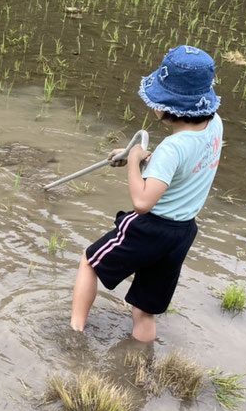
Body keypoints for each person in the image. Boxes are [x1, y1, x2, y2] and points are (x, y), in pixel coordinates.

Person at [71, 45, 223, 342]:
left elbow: (141, 202)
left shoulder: (171, 148)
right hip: (182, 232)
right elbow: (184, 166)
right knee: (144, 309)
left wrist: (131, 163)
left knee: (89, 262)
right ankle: (142, 363)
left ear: (164, 105)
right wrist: (143, 159)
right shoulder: (216, 125)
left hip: (149, 227)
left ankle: (75, 333)